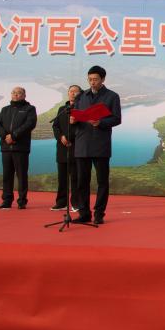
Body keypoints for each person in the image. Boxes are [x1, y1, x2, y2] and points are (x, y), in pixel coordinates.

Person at [72, 65, 122, 225]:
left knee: (102, 181)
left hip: (101, 144)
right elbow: (76, 114)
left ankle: (99, 213)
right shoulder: (81, 96)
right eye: (90, 79)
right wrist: (73, 120)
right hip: (82, 143)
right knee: (82, 181)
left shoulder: (112, 96)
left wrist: (101, 122)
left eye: (95, 79)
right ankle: (84, 213)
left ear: (103, 79)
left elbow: (117, 119)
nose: (92, 82)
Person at [0, 86, 37, 209]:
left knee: (21, 175)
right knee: (7, 175)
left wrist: (14, 136)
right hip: (6, 147)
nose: (15, 95)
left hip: (21, 148)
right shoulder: (5, 109)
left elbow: (30, 124)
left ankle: (22, 201)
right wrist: (5, 136)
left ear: (24, 95)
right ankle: (7, 200)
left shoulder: (30, 109)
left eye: (19, 93)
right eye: (13, 92)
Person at [50, 84, 82, 212]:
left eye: (75, 91)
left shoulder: (82, 109)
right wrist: (61, 137)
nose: (72, 93)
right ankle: (61, 203)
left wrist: (70, 138)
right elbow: (55, 126)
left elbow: (83, 128)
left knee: (75, 178)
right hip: (62, 148)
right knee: (62, 178)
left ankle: (76, 203)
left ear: (80, 94)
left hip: (76, 148)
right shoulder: (62, 109)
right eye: (70, 91)